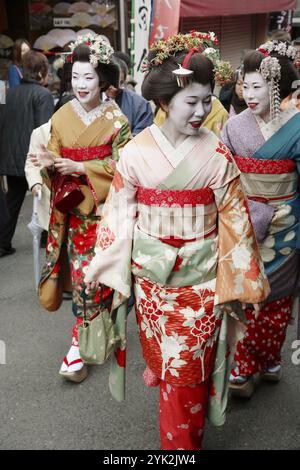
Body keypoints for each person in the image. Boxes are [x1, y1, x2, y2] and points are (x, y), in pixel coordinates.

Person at [85, 31, 269, 450]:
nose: (202, 111)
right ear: (165, 101)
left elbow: (236, 221)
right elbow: (118, 217)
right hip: (153, 286)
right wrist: (104, 270)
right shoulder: (134, 153)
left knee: (187, 372)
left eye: (208, 100)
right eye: (192, 101)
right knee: (171, 368)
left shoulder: (217, 155)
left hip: (201, 287)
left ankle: (180, 446)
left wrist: (241, 281)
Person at [32, 35, 131, 383]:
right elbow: (51, 164)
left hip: (104, 214)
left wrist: (83, 169)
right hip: (72, 216)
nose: (81, 84)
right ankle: (83, 341)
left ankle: (84, 342)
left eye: (88, 77)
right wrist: (48, 164)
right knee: (81, 280)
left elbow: (124, 168)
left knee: (96, 280)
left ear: (103, 79)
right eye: (75, 77)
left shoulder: (117, 121)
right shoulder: (61, 117)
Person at [221, 40, 300, 397]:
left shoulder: (296, 125)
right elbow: (222, 174)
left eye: (258, 87)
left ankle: (269, 357)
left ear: (276, 86)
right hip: (244, 221)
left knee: (278, 299)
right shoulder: (235, 127)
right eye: (245, 85)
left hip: (287, 222)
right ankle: (243, 363)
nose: (249, 94)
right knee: (245, 297)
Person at [0, 50, 54, 258]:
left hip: (9, 155)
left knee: (12, 200)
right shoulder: (43, 95)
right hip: (32, 157)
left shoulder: (8, 92)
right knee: (43, 196)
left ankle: (3, 242)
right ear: (41, 72)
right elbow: (44, 129)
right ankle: (45, 237)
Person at [105, 57, 153, 136]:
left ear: (124, 81)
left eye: (120, 83)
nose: (114, 87)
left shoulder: (140, 105)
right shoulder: (89, 98)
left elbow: (141, 138)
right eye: (111, 81)